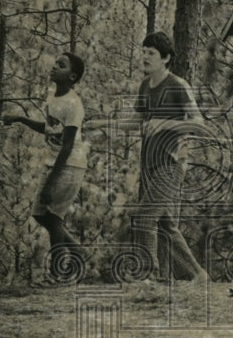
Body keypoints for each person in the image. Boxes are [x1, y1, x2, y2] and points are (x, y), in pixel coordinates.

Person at [86, 32, 207, 282]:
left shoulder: (178, 85)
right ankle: (198, 275)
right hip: (149, 164)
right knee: (165, 224)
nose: (145, 57)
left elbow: (198, 123)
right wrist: (101, 123)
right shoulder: (145, 85)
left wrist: (164, 124)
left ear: (165, 58)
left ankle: (147, 277)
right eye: (143, 51)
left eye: (151, 53)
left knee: (144, 217)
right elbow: (136, 121)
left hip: (172, 164)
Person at [2, 52, 89, 279]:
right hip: (54, 164)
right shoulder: (53, 97)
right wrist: (20, 119)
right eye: (55, 63)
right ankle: (77, 251)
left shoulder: (73, 105)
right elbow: (50, 129)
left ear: (72, 76)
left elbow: (68, 146)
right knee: (40, 215)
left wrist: (51, 182)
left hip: (69, 165)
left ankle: (59, 272)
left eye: (61, 65)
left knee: (53, 217)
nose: (54, 67)